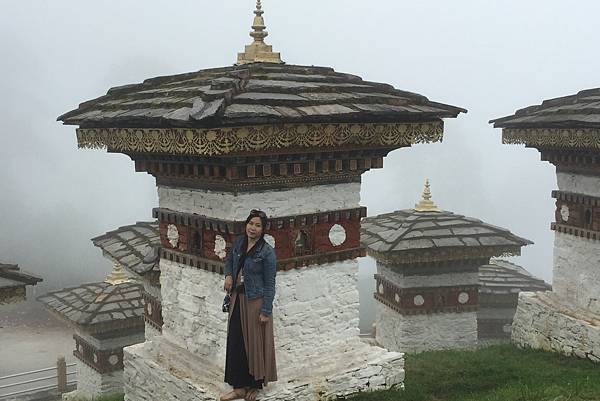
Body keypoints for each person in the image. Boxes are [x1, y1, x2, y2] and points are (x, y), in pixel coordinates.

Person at [220, 209, 278, 401]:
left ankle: (254, 387)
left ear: (263, 230)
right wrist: (229, 275)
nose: (253, 228)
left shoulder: (267, 253)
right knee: (236, 340)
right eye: (251, 224)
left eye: (258, 225)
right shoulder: (239, 243)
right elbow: (229, 261)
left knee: (255, 345)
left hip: (255, 301)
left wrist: (266, 311)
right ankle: (238, 387)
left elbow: (270, 284)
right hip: (238, 298)